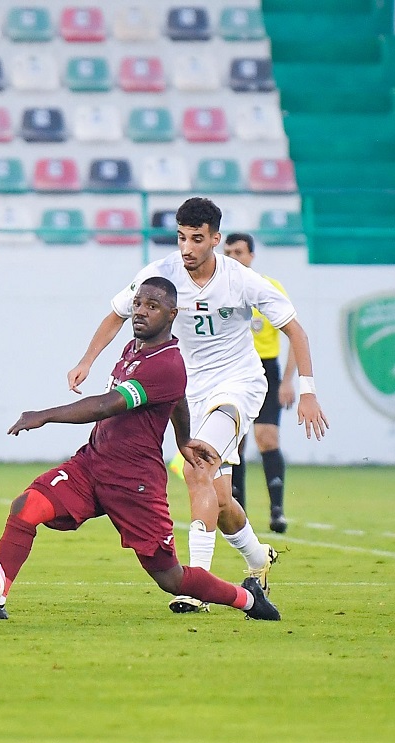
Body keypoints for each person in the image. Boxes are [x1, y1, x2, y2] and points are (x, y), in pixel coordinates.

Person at [0, 277, 280, 621]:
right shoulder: (134, 348)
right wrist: (184, 439)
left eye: (152, 307)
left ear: (172, 314)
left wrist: (43, 415)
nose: (140, 312)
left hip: (135, 485)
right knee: (26, 507)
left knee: (171, 578)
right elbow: (179, 400)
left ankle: (248, 598)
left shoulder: (166, 364)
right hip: (91, 466)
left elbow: (106, 406)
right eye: (138, 303)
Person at [67, 198, 328, 614]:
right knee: (220, 500)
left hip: (237, 386)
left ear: (216, 240)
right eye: (182, 237)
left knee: (196, 467)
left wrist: (309, 390)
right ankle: (259, 558)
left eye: (197, 239)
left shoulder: (241, 280)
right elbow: (117, 314)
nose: (186, 248)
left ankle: (195, 586)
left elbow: (295, 329)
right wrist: (86, 361)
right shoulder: (161, 275)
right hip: (188, 393)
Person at [223, 233, 295, 534]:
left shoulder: (268, 289)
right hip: (231, 368)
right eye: (228, 252)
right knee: (233, 442)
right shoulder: (220, 293)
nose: (233, 258)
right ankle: (238, 511)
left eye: (239, 252)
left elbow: (294, 333)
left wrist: (288, 381)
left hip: (266, 368)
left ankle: (277, 509)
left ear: (252, 255)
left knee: (267, 438)